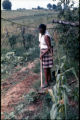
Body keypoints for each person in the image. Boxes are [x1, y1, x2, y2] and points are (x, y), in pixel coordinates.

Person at [39, 24, 53, 88]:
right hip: (43, 51)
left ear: (44, 29)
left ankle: (46, 82)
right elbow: (41, 42)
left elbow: (49, 47)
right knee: (47, 67)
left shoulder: (46, 36)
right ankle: (50, 79)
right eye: (39, 29)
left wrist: (42, 54)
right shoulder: (41, 34)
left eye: (40, 29)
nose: (39, 30)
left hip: (46, 52)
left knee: (45, 68)